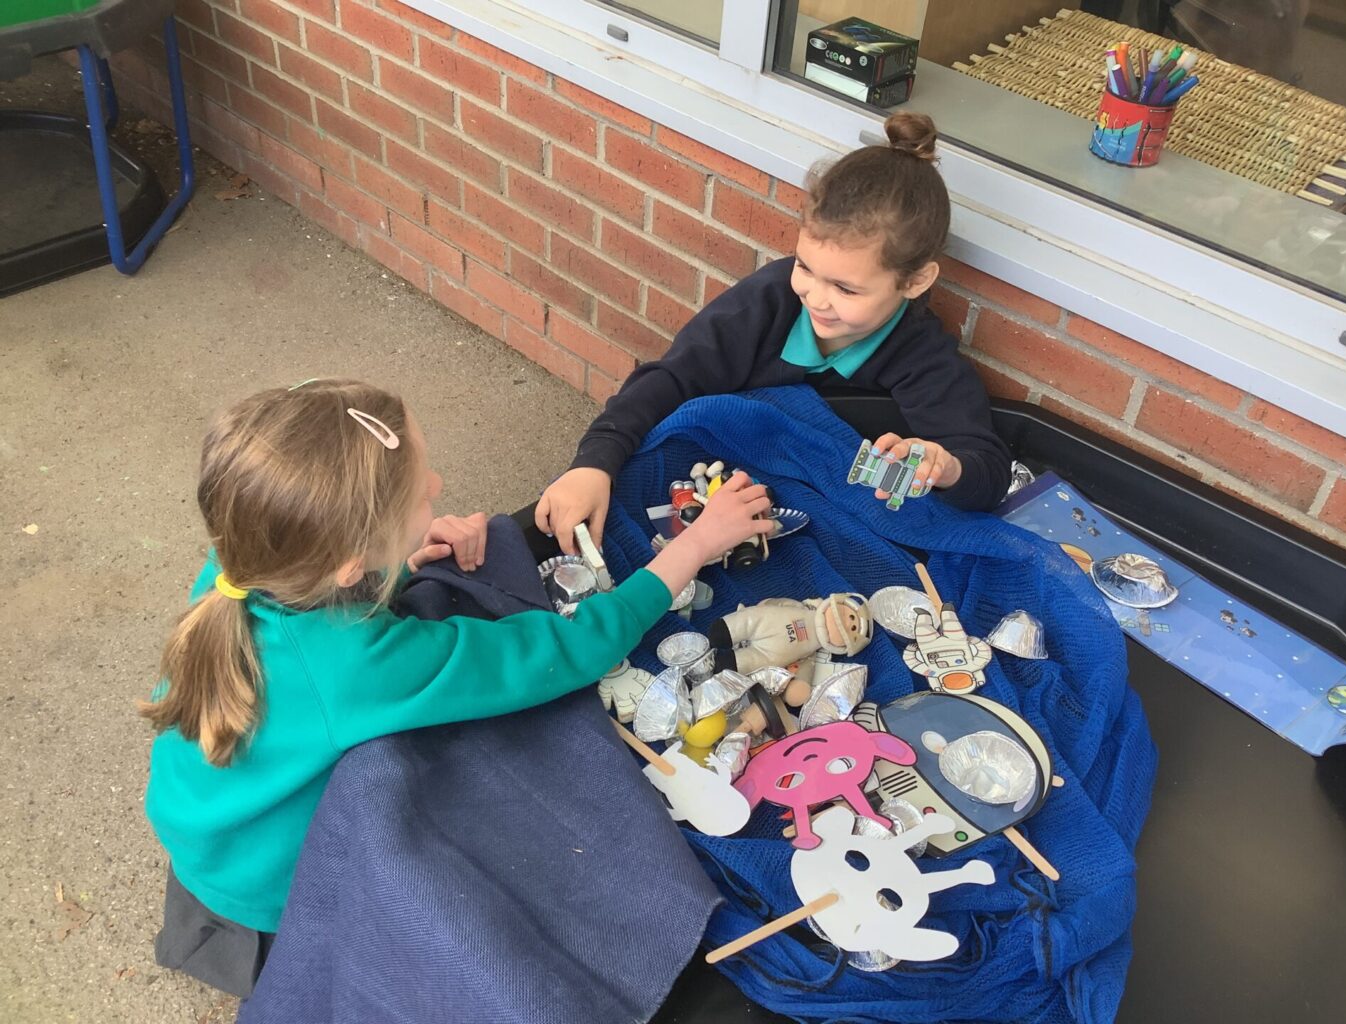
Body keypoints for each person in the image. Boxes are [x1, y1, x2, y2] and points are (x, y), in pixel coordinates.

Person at [140, 378, 772, 996]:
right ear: (350, 563)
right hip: (264, 897)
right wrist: (696, 544)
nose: (438, 485)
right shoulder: (361, 666)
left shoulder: (242, 561)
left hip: (210, 833)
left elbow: (326, 624)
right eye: (420, 494)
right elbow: (565, 650)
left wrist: (402, 561)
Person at [536, 111, 1011, 554]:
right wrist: (593, 463)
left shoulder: (922, 354)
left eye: (845, 288)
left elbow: (988, 472)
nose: (816, 298)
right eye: (805, 267)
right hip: (724, 482)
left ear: (915, 282)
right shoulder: (768, 300)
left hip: (830, 515)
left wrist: (947, 467)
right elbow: (672, 378)